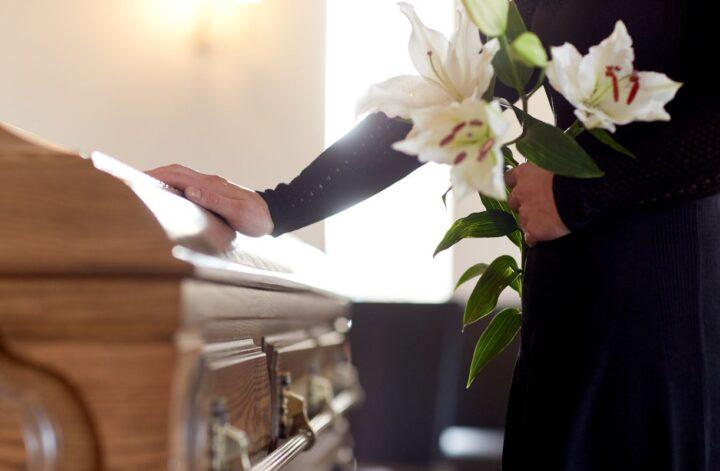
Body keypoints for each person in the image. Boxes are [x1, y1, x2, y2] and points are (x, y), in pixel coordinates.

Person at [148, 1, 720, 468]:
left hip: (673, 317)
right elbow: (448, 97)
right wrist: (278, 205)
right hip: (569, 309)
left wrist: (579, 193)